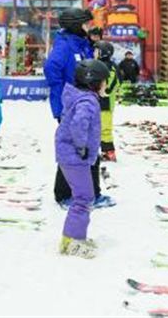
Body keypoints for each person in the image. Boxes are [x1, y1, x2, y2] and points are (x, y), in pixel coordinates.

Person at [44, 8, 111, 207]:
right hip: (72, 104)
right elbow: (51, 69)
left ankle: (92, 192)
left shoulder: (81, 43)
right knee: (71, 150)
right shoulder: (65, 46)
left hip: (86, 100)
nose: (88, 27)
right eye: (85, 23)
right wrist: (64, 96)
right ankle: (64, 194)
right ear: (75, 25)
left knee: (91, 147)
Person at [56, 59, 109, 259]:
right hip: (74, 155)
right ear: (93, 81)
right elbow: (78, 123)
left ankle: (73, 238)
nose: (105, 85)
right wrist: (82, 146)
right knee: (84, 198)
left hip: (69, 154)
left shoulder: (80, 97)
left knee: (83, 196)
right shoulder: (88, 102)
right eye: (104, 81)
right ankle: (72, 241)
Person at [94, 41, 120, 161]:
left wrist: (105, 91)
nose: (94, 53)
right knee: (97, 127)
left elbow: (114, 82)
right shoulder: (98, 64)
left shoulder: (109, 66)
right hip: (98, 101)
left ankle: (109, 151)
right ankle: (99, 150)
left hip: (105, 102)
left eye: (96, 51)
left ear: (103, 52)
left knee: (105, 128)